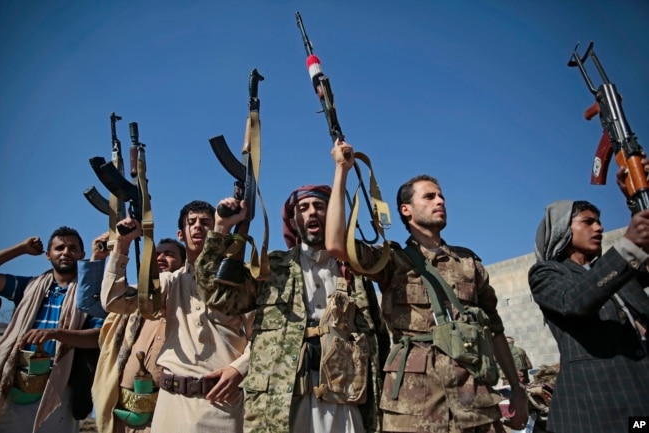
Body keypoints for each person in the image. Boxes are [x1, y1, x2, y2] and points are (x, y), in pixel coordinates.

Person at [326, 142, 528, 433]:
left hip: (475, 404)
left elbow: (494, 330)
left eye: (442, 196)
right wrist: (341, 171)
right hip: (414, 408)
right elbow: (335, 243)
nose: (440, 201)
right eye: (430, 196)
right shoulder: (392, 260)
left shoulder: (469, 263)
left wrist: (518, 389)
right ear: (405, 210)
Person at [195, 185, 387, 433]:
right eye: (303, 208)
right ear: (293, 221)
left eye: (319, 206)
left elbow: (379, 338)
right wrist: (222, 228)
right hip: (282, 400)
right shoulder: (272, 267)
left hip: (345, 398)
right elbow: (218, 296)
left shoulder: (356, 271)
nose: (312, 213)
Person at [101, 200, 253, 433]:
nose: (198, 227)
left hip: (221, 403)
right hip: (171, 403)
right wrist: (122, 245)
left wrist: (239, 369)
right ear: (181, 234)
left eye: (206, 222)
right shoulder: (170, 282)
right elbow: (113, 300)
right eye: (191, 222)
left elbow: (262, 335)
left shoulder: (239, 281)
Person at [528, 199, 649, 433]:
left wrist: (637, 200)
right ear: (564, 230)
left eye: (600, 222)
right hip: (596, 409)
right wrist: (627, 247)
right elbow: (575, 302)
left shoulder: (618, 272)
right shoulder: (547, 274)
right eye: (588, 222)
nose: (599, 228)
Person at [0, 227, 105, 433]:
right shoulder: (29, 287)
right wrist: (20, 249)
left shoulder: (91, 296)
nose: (66, 252)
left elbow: (98, 338)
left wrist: (57, 333)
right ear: (48, 255)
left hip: (61, 387)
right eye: (59, 248)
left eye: (72, 248)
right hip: (17, 384)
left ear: (82, 255)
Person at [90, 237, 186, 433]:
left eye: (169, 254)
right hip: (124, 412)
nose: (161, 258)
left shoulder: (189, 302)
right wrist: (104, 254)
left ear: (184, 264)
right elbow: (90, 302)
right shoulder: (133, 299)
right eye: (157, 254)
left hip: (168, 410)